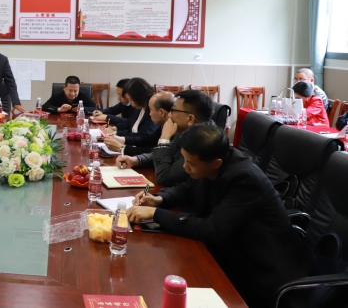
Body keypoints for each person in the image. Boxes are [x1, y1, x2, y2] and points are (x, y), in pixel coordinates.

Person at [127, 124, 307, 308]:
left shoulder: (245, 179)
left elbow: (212, 229)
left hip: (257, 271)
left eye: (190, 163)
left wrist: (156, 214)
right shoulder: (209, 162)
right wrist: (159, 199)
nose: (185, 166)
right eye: (184, 160)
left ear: (216, 163)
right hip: (228, 252)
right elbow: (187, 188)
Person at [116, 89, 213, 187]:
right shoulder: (185, 131)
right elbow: (167, 154)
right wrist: (136, 160)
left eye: (174, 110)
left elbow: (164, 177)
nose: (169, 114)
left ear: (190, 119)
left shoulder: (203, 143)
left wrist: (164, 139)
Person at [103, 91, 174, 155]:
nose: (149, 114)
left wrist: (122, 148)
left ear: (162, 112)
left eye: (151, 110)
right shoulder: (165, 124)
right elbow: (148, 140)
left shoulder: (174, 130)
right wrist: (122, 139)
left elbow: (154, 153)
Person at [109, 77, 157, 141]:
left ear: (139, 97)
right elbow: (130, 122)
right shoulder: (139, 107)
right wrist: (115, 129)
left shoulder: (152, 111)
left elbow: (143, 136)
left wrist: (117, 134)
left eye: (131, 99)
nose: (130, 102)